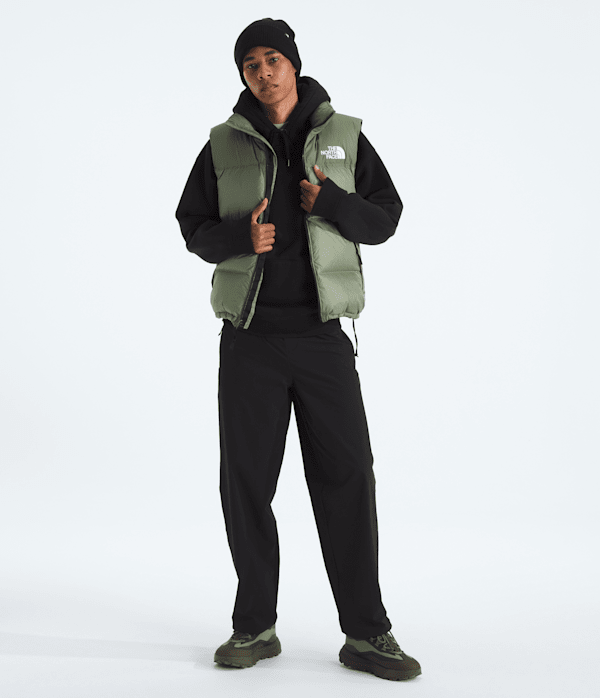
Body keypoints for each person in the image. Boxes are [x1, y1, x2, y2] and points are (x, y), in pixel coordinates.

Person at [175, 18, 422, 682]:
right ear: (244, 75)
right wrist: (238, 237)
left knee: (349, 478)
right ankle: (255, 626)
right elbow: (191, 225)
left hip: (322, 338)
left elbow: (386, 217)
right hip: (249, 339)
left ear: (293, 63)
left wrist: (333, 201)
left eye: (272, 59)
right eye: (250, 64)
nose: (263, 72)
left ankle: (366, 634)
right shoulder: (223, 143)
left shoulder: (345, 136)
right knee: (246, 485)